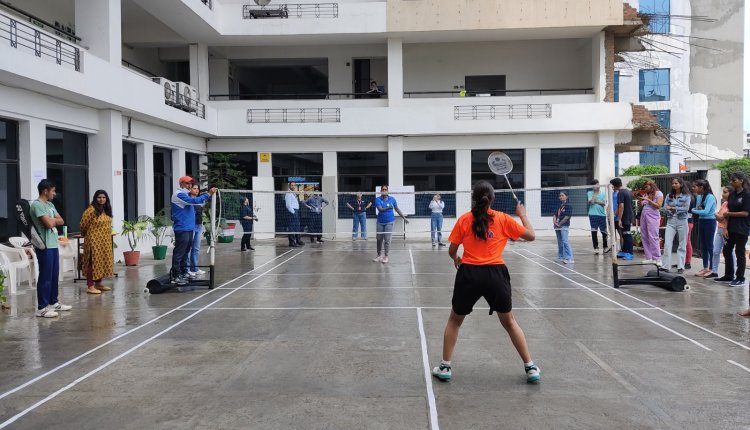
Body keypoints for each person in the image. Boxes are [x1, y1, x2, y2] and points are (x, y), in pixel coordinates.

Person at [431, 181, 539, 383]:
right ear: (492, 199)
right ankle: (530, 367)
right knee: (510, 322)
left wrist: (457, 258)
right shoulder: (503, 219)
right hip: (495, 275)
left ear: (474, 198)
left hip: (469, 274)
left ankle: (445, 367)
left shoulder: (465, 219)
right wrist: (522, 214)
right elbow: (531, 236)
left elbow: (452, 250)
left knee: (454, 321)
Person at [30, 179, 71, 317]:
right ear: (45, 191)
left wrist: (52, 220)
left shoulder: (50, 204)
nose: (54, 193)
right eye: (53, 191)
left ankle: (54, 302)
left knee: (54, 275)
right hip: (44, 245)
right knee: (45, 276)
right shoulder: (37, 205)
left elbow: (61, 220)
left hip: (53, 243)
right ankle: (42, 308)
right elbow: (49, 224)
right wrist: (52, 221)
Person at [171, 176, 217, 285]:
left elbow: (196, 201)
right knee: (179, 252)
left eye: (191, 183)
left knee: (186, 251)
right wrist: (208, 194)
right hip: (182, 228)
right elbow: (194, 200)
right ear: (181, 184)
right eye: (187, 183)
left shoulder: (186, 194)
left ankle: (183, 272)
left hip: (188, 228)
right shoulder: (179, 194)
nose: (189, 185)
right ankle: (176, 275)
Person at [715, 172, 750, 290]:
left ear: (741, 181)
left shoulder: (747, 195)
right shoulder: (732, 195)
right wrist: (725, 227)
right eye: (731, 180)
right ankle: (729, 275)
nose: (731, 182)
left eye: (734, 180)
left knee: (740, 252)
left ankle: (740, 277)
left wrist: (729, 214)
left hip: (742, 228)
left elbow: (745, 213)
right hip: (730, 227)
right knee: (726, 250)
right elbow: (728, 213)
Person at [80, 190, 115, 294]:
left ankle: (98, 283)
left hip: (104, 241)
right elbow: (83, 225)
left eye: (104, 197)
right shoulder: (91, 210)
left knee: (101, 261)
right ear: (95, 198)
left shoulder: (106, 209)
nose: (101, 199)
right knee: (92, 262)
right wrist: (88, 235)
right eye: (99, 197)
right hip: (93, 241)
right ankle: (90, 286)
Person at [661, 178, 691, 274]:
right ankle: (666, 266)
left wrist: (673, 207)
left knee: (682, 244)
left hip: (682, 220)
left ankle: (681, 266)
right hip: (671, 220)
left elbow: (686, 208)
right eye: (673, 183)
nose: (674, 185)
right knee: (667, 243)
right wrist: (672, 209)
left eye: (676, 183)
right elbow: (664, 207)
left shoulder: (686, 196)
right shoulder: (669, 195)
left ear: (681, 184)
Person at [373, 185, 408, 264]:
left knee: (387, 240)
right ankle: (379, 255)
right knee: (379, 239)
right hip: (380, 222)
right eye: (383, 189)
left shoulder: (392, 199)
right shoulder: (378, 199)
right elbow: (380, 209)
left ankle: (386, 256)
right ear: (381, 191)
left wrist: (404, 218)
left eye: (385, 189)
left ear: (387, 191)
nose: (384, 191)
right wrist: (388, 208)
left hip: (389, 221)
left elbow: (397, 209)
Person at [690, 179, 717, 276]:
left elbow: (705, 212)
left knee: (710, 246)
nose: (693, 188)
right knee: (703, 246)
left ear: (701, 187)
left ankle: (712, 268)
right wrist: (696, 210)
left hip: (710, 221)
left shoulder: (710, 197)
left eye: (695, 186)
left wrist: (693, 210)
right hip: (701, 221)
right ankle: (705, 267)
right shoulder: (699, 196)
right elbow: (698, 208)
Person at [708, 186, 734, 279]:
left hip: (726, 230)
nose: (723, 194)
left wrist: (716, 214)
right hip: (719, 229)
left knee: (729, 252)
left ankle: (732, 272)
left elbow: (722, 217)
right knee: (715, 251)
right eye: (723, 192)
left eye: (725, 192)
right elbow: (719, 217)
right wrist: (717, 215)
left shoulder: (732, 204)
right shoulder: (724, 203)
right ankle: (714, 271)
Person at [637, 180, 664, 265]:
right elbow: (642, 205)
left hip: (653, 216)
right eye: (644, 187)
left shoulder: (658, 193)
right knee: (644, 236)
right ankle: (649, 257)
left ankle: (657, 258)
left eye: (646, 187)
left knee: (653, 236)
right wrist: (640, 201)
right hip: (644, 215)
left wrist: (648, 200)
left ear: (651, 186)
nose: (645, 189)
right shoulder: (646, 194)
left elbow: (658, 206)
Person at [610, 178, 634, 261]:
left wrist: (619, 219)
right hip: (629, 216)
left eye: (612, 186)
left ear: (615, 185)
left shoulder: (620, 193)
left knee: (627, 235)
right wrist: (614, 214)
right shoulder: (628, 191)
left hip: (625, 217)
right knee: (624, 234)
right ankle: (624, 251)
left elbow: (621, 206)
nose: (612, 187)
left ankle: (630, 253)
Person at [587, 180, 609, 254]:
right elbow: (592, 202)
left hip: (602, 215)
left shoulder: (603, 193)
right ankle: (596, 248)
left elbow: (604, 203)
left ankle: (605, 247)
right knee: (594, 231)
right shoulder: (589, 193)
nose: (598, 186)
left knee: (604, 232)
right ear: (593, 186)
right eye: (596, 185)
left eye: (598, 184)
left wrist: (596, 201)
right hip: (592, 215)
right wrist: (595, 193)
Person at [188, 184, 206, 274]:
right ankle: (187, 269)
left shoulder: (199, 201)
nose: (196, 190)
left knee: (196, 248)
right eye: (194, 188)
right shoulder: (188, 200)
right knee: (188, 248)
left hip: (199, 225)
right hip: (191, 225)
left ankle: (195, 268)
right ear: (190, 189)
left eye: (197, 188)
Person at [553, 190, 574, 264]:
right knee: (560, 242)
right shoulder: (559, 205)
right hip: (557, 226)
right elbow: (555, 215)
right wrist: (555, 222)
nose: (561, 197)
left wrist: (559, 224)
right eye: (560, 196)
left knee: (565, 241)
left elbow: (567, 217)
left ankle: (570, 258)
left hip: (564, 226)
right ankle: (561, 257)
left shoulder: (569, 205)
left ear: (566, 197)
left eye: (562, 195)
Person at [285, 182, 304, 247]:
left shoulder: (293, 193)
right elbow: (288, 205)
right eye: (292, 185)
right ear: (289, 186)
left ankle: (298, 240)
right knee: (292, 227)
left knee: (297, 226)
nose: (293, 186)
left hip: (296, 211)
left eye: (294, 185)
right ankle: (292, 242)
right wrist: (293, 212)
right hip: (292, 211)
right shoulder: (288, 193)